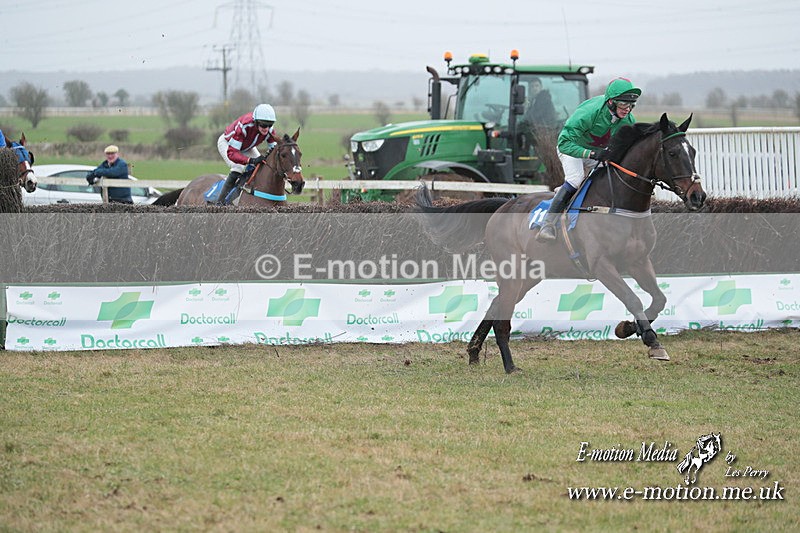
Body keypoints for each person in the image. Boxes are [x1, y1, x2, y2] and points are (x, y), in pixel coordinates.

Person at [537, 77, 641, 242]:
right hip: (571, 149)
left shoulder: (628, 120)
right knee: (576, 179)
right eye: (623, 104)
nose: (627, 109)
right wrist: (591, 154)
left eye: (631, 105)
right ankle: (547, 224)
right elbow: (564, 143)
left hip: (595, 152)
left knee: (611, 176)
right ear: (611, 102)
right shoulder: (589, 113)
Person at [216, 103, 280, 204]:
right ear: (256, 122)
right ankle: (219, 203)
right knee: (238, 167)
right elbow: (232, 153)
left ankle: (246, 191)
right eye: (263, 125)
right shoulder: (244, 126)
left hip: (247, 146)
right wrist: (251, 160)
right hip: (228, 144)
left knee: (261, 166)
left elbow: (275, 149)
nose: (266, 128)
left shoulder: (269, 130)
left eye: (270, 124)